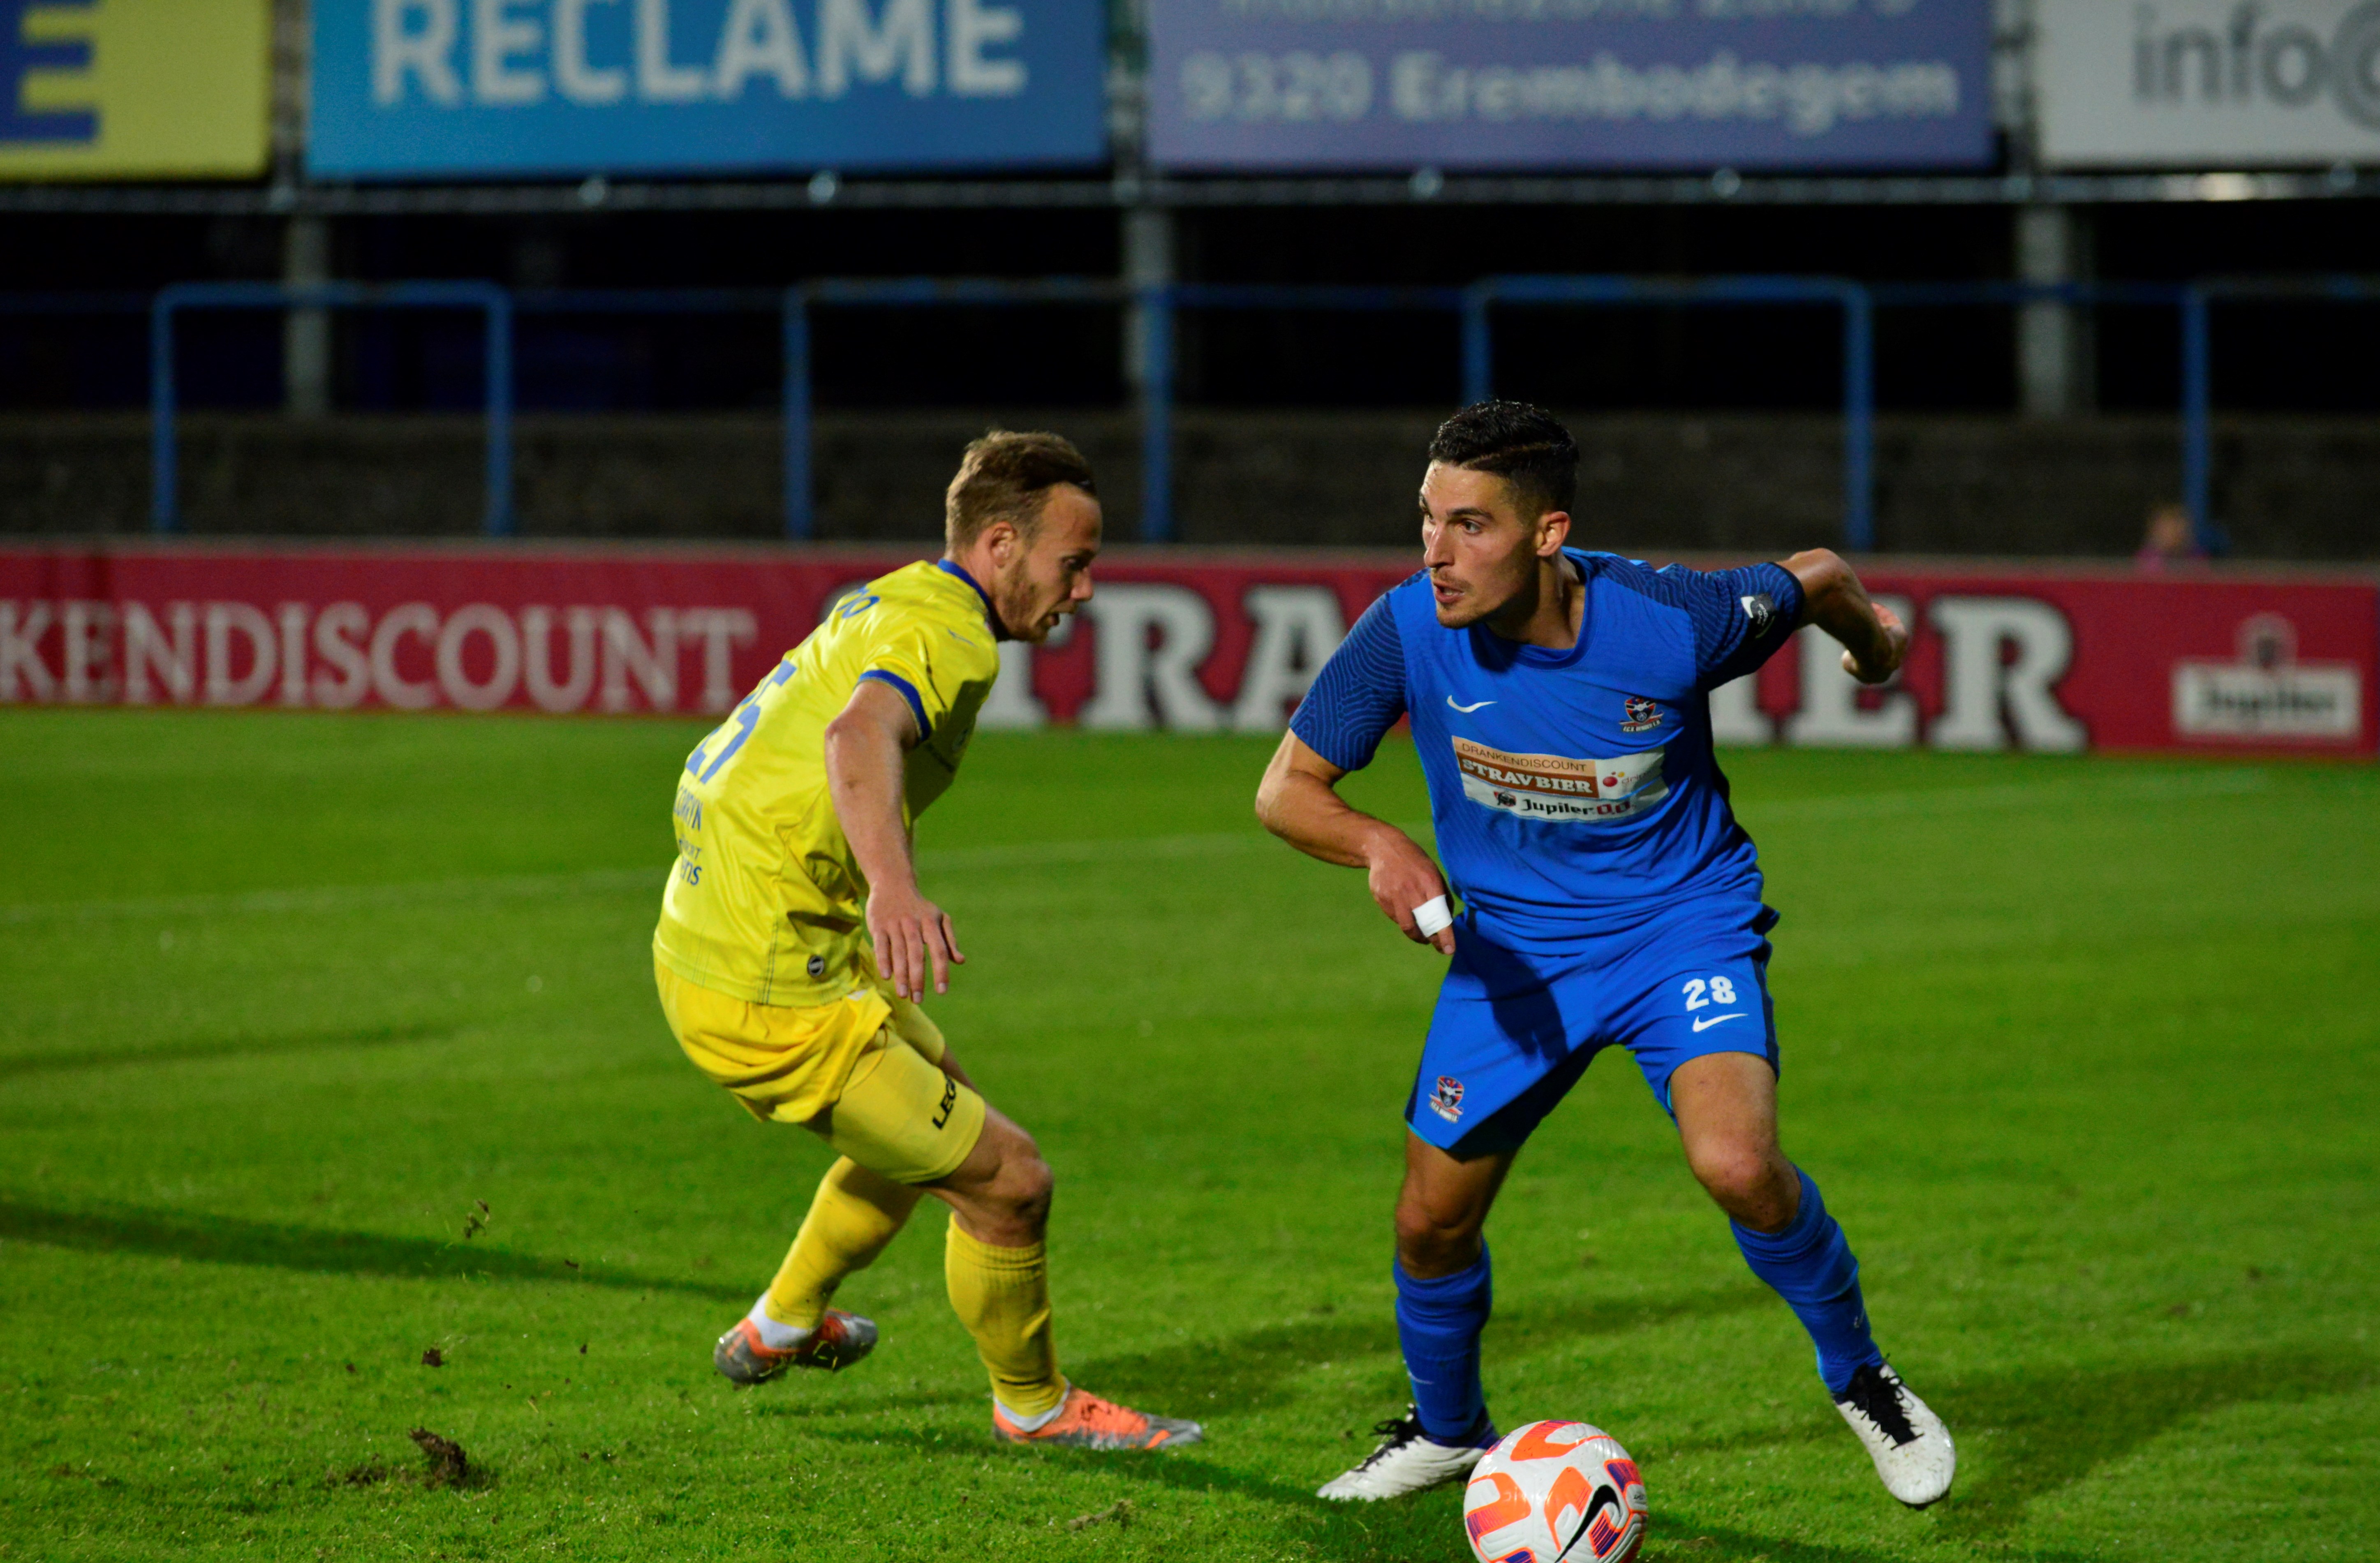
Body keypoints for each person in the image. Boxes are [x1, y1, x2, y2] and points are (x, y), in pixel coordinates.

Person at [1254, 401, 1954, 1506]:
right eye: (1427, 521)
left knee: (1736, 1166)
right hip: (1515, 959)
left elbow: (1813, 575)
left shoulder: (1673, 619)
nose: (1436, 553)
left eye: (1470, 526)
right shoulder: (1403, 630)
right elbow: (1284, 790)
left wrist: (1875, 643)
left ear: (1547, 533)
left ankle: (1861, 1373)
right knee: (1429, 1222)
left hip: (1681, 930)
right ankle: (1447, 1432)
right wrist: (1379, 845)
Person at [653, 430, 1200, 1452]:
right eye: (1070, 563)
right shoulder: (951, 636)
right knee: (1008, 1179)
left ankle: (780, 1324)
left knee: (935, 1088)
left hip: (726, 933)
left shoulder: (906, 593)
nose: (1082, 591)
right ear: (1000, 545)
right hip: (770, 984)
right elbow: (854, 735)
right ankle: (1034, 1409)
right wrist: (893, 892)